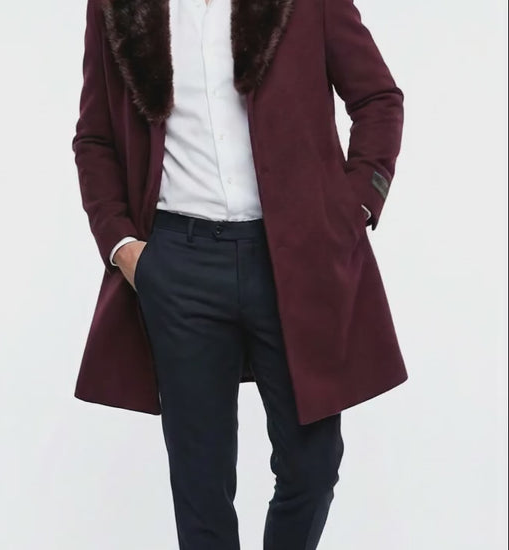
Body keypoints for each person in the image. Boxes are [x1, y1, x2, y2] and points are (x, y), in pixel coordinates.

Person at [71, 0, 408, 548]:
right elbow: (95, 138)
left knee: (313, 467)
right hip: (177, 265)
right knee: (199, 487)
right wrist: (123, 246)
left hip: (293, 258)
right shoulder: (119, 7)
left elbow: (377, 99)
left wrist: (354, 208)